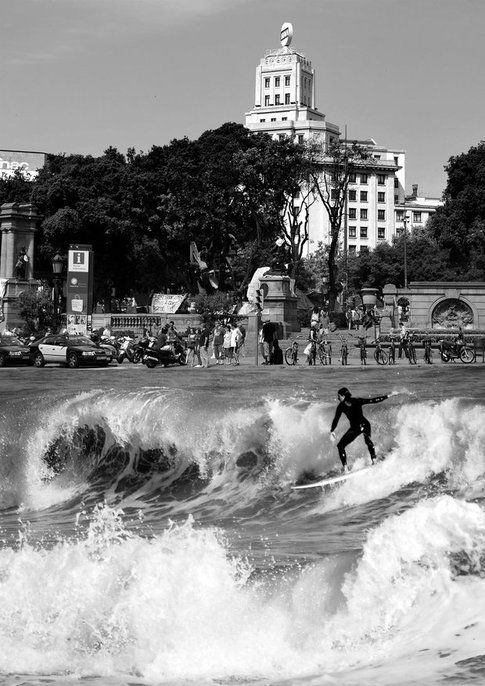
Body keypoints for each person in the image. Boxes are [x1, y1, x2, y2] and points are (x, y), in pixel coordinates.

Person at [330, 387, 388, 473]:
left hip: (356, 428)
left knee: (340, 446)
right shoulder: (357, 400)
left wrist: (332, 430)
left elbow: (336, 419)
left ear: (343, 396)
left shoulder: (341, 406)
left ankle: (346, 469)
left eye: (339, 396)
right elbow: (373, 400)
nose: (338, 398)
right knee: (368, 440)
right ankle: (374, 460)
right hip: (365, 425)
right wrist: (388, 396)